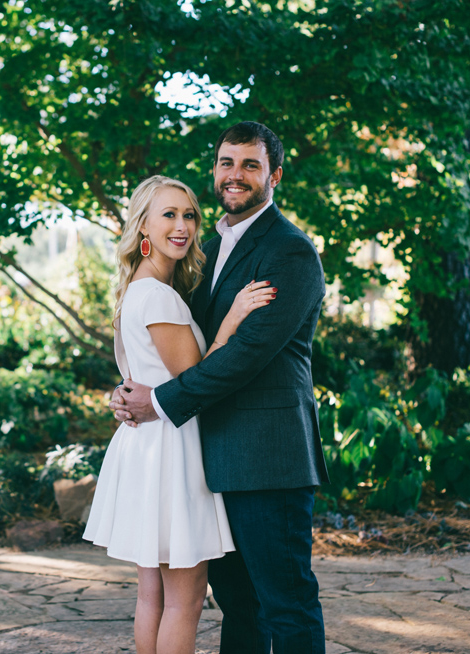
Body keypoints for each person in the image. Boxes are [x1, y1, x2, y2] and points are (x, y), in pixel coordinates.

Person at [110, 121, 330, 654]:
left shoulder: (289, 252)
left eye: (250, 164)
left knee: (287, 602)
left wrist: (158, 403)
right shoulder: (204, 250)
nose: (235, 175)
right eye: (226, 163)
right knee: (240, 606)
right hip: (209, 459)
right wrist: (129, 390)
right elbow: (179, 343)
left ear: (273, 175)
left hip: (266, 457)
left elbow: (246, 357)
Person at [83, 174, 277, 654]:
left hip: (146, 447)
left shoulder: (136, 291)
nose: (183, 225)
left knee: (153, 595)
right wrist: (232, 319)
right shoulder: (159, 296)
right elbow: (196, 380)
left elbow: (147, 375)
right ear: (143, 227)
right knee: (184, 603)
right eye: (168, 214)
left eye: (189, 214)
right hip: (169, 452)